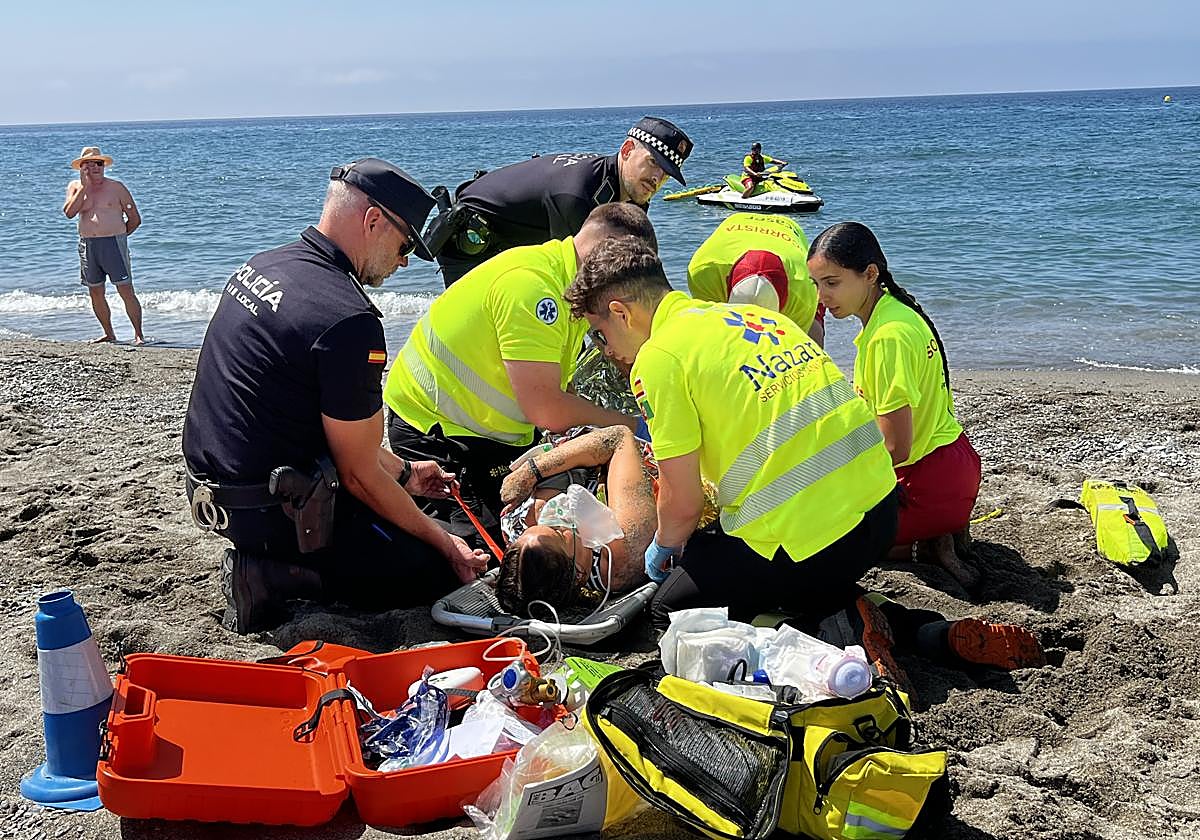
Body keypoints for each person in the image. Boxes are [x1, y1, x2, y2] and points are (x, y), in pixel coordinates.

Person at [564, 237, 1043, 679]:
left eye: (600, 335)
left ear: (621, 312)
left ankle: (860, 626)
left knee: (675, 603)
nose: (606, 351)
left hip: (814, 536)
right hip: (879, 513)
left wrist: (664, 549)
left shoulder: (660, 358)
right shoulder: (758, 319)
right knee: (783, 569)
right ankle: (922, 630)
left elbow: (683, 502)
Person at [182, 157, 489, 634]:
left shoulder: (265, 264)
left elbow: (323, 427)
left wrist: (407, 472)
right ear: (372, 221)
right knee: (431, 571)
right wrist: (444, 545)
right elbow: (359, 473)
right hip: (267, 509)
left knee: (410, 521)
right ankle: (269, 576)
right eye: (406, 244)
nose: (404, 260)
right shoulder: (347, 320)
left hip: (211, 485)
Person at [384, 204, 657, 549]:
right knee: (492, 552)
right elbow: (548, 409)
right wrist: (631, 427)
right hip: (435, 434)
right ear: (606, 257)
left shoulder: (565, 281)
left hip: (491, 433)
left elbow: (559, 388)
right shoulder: (536, 290)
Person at [808, 221, 982, 591]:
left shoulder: (888, 338)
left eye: (832, 283)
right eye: (817, 284)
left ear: (870, 274)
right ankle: (940, 530)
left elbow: (895, 448)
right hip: (953, 466)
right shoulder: (896, 312)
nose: (822, 296)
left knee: (817, 533)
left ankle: (924, 548)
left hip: (926, 484)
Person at [428, 116, 692, 286]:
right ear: (626, 151)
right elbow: (570, 278)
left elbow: (638, 265)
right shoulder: (577, 194)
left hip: (515, 247)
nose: (657, 178)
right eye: (652, 163)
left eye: (665, 173)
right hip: (471, 242)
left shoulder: (635, 190)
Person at [493, 425, 657, 615]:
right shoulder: (623, 549)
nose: (551, 515)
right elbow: (620, 438)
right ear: (579, 573)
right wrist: (532, 471)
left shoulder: (523, 537)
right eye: (558, 533)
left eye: (535, 527)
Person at [687, 211, 824, 346]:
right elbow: (710, 330)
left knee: (811, 338)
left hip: (790, 230)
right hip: (738, 220)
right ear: (727, 280)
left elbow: (797, 348)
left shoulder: (803, 293)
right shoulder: (704, 272)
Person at [62, 146, 145, 344]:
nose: (94, 167)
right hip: (88, 245)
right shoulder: (75, 187)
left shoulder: (116, 187)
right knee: (95, 291)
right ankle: (109, 333)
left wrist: (120, 237)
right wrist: (83, 187)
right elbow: (69, 213)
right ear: (81, 168)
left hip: (114, 244)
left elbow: (134, 219)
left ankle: (139, 334)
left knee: (125, 289)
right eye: (88, 164)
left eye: (98, 163)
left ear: (103, 166)